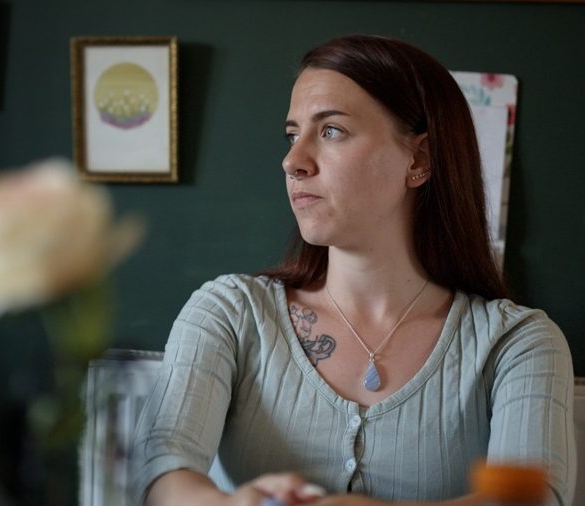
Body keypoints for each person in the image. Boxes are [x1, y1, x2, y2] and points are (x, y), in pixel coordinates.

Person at [133, 34, 575, 506]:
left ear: (419, 159)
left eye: (331, 131)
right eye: (292, 135)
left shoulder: (517, 343)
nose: (292, 161)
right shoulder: (228, 312)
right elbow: (162, 468)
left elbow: (532, 499)